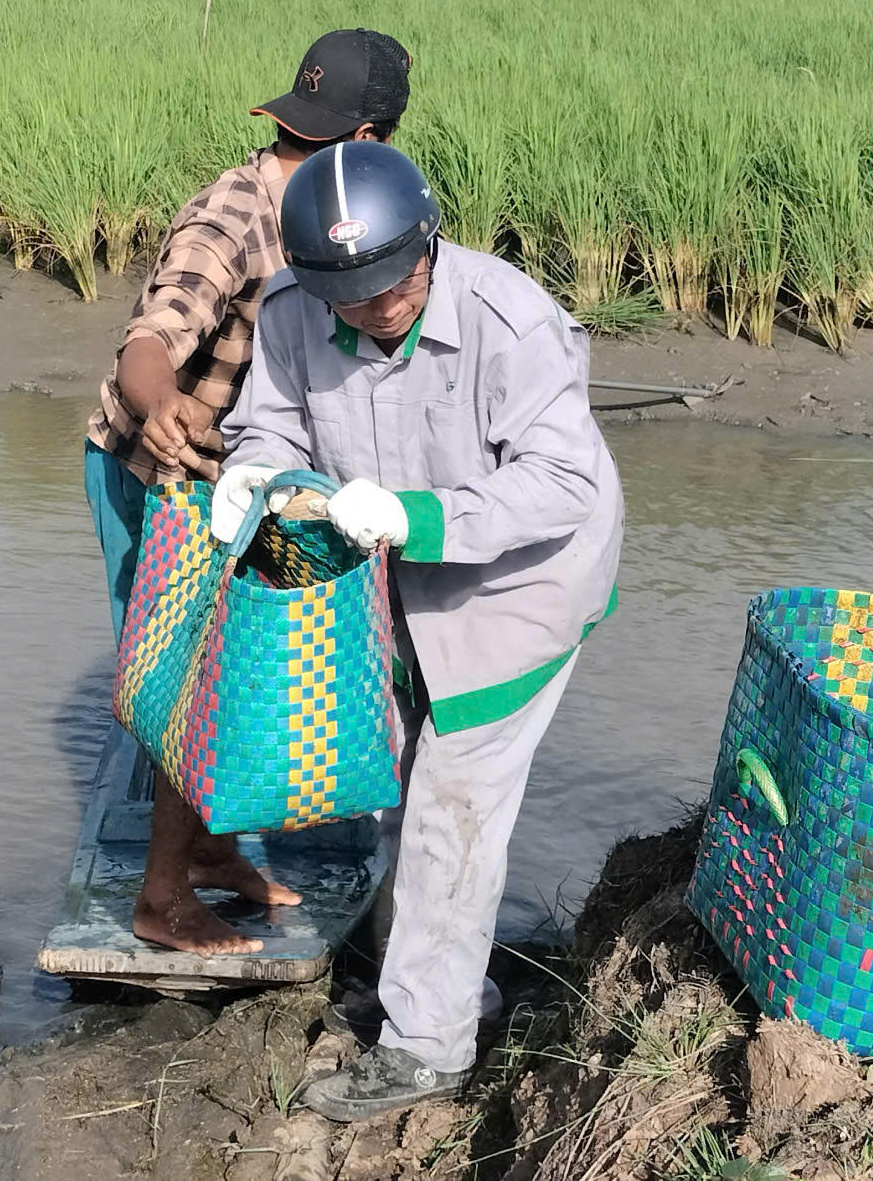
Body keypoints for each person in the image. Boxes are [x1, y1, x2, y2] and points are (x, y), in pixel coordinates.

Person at [212, 141, 624, 1122]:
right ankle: (440, 981)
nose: (375, 307)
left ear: (427, 244)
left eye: (393, 285)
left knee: (452, 799)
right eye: (348, 297)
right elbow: (271, 426)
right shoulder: (292, 311)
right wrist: (254, 473)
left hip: (520, 584)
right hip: (387, 584)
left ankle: (428, 1047)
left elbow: (560, 483)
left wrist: (417, 516)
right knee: (393, 773)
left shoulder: (509, 319)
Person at [82, 28, 414, 956]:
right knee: (187, 673)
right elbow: (151, 338)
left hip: (240, 472)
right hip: (157, 468)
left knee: (232, 663)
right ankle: (159, 897)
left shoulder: (339, 213)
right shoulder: (238, 212)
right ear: (369, 138)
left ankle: (210, 849)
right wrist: (160, 405)